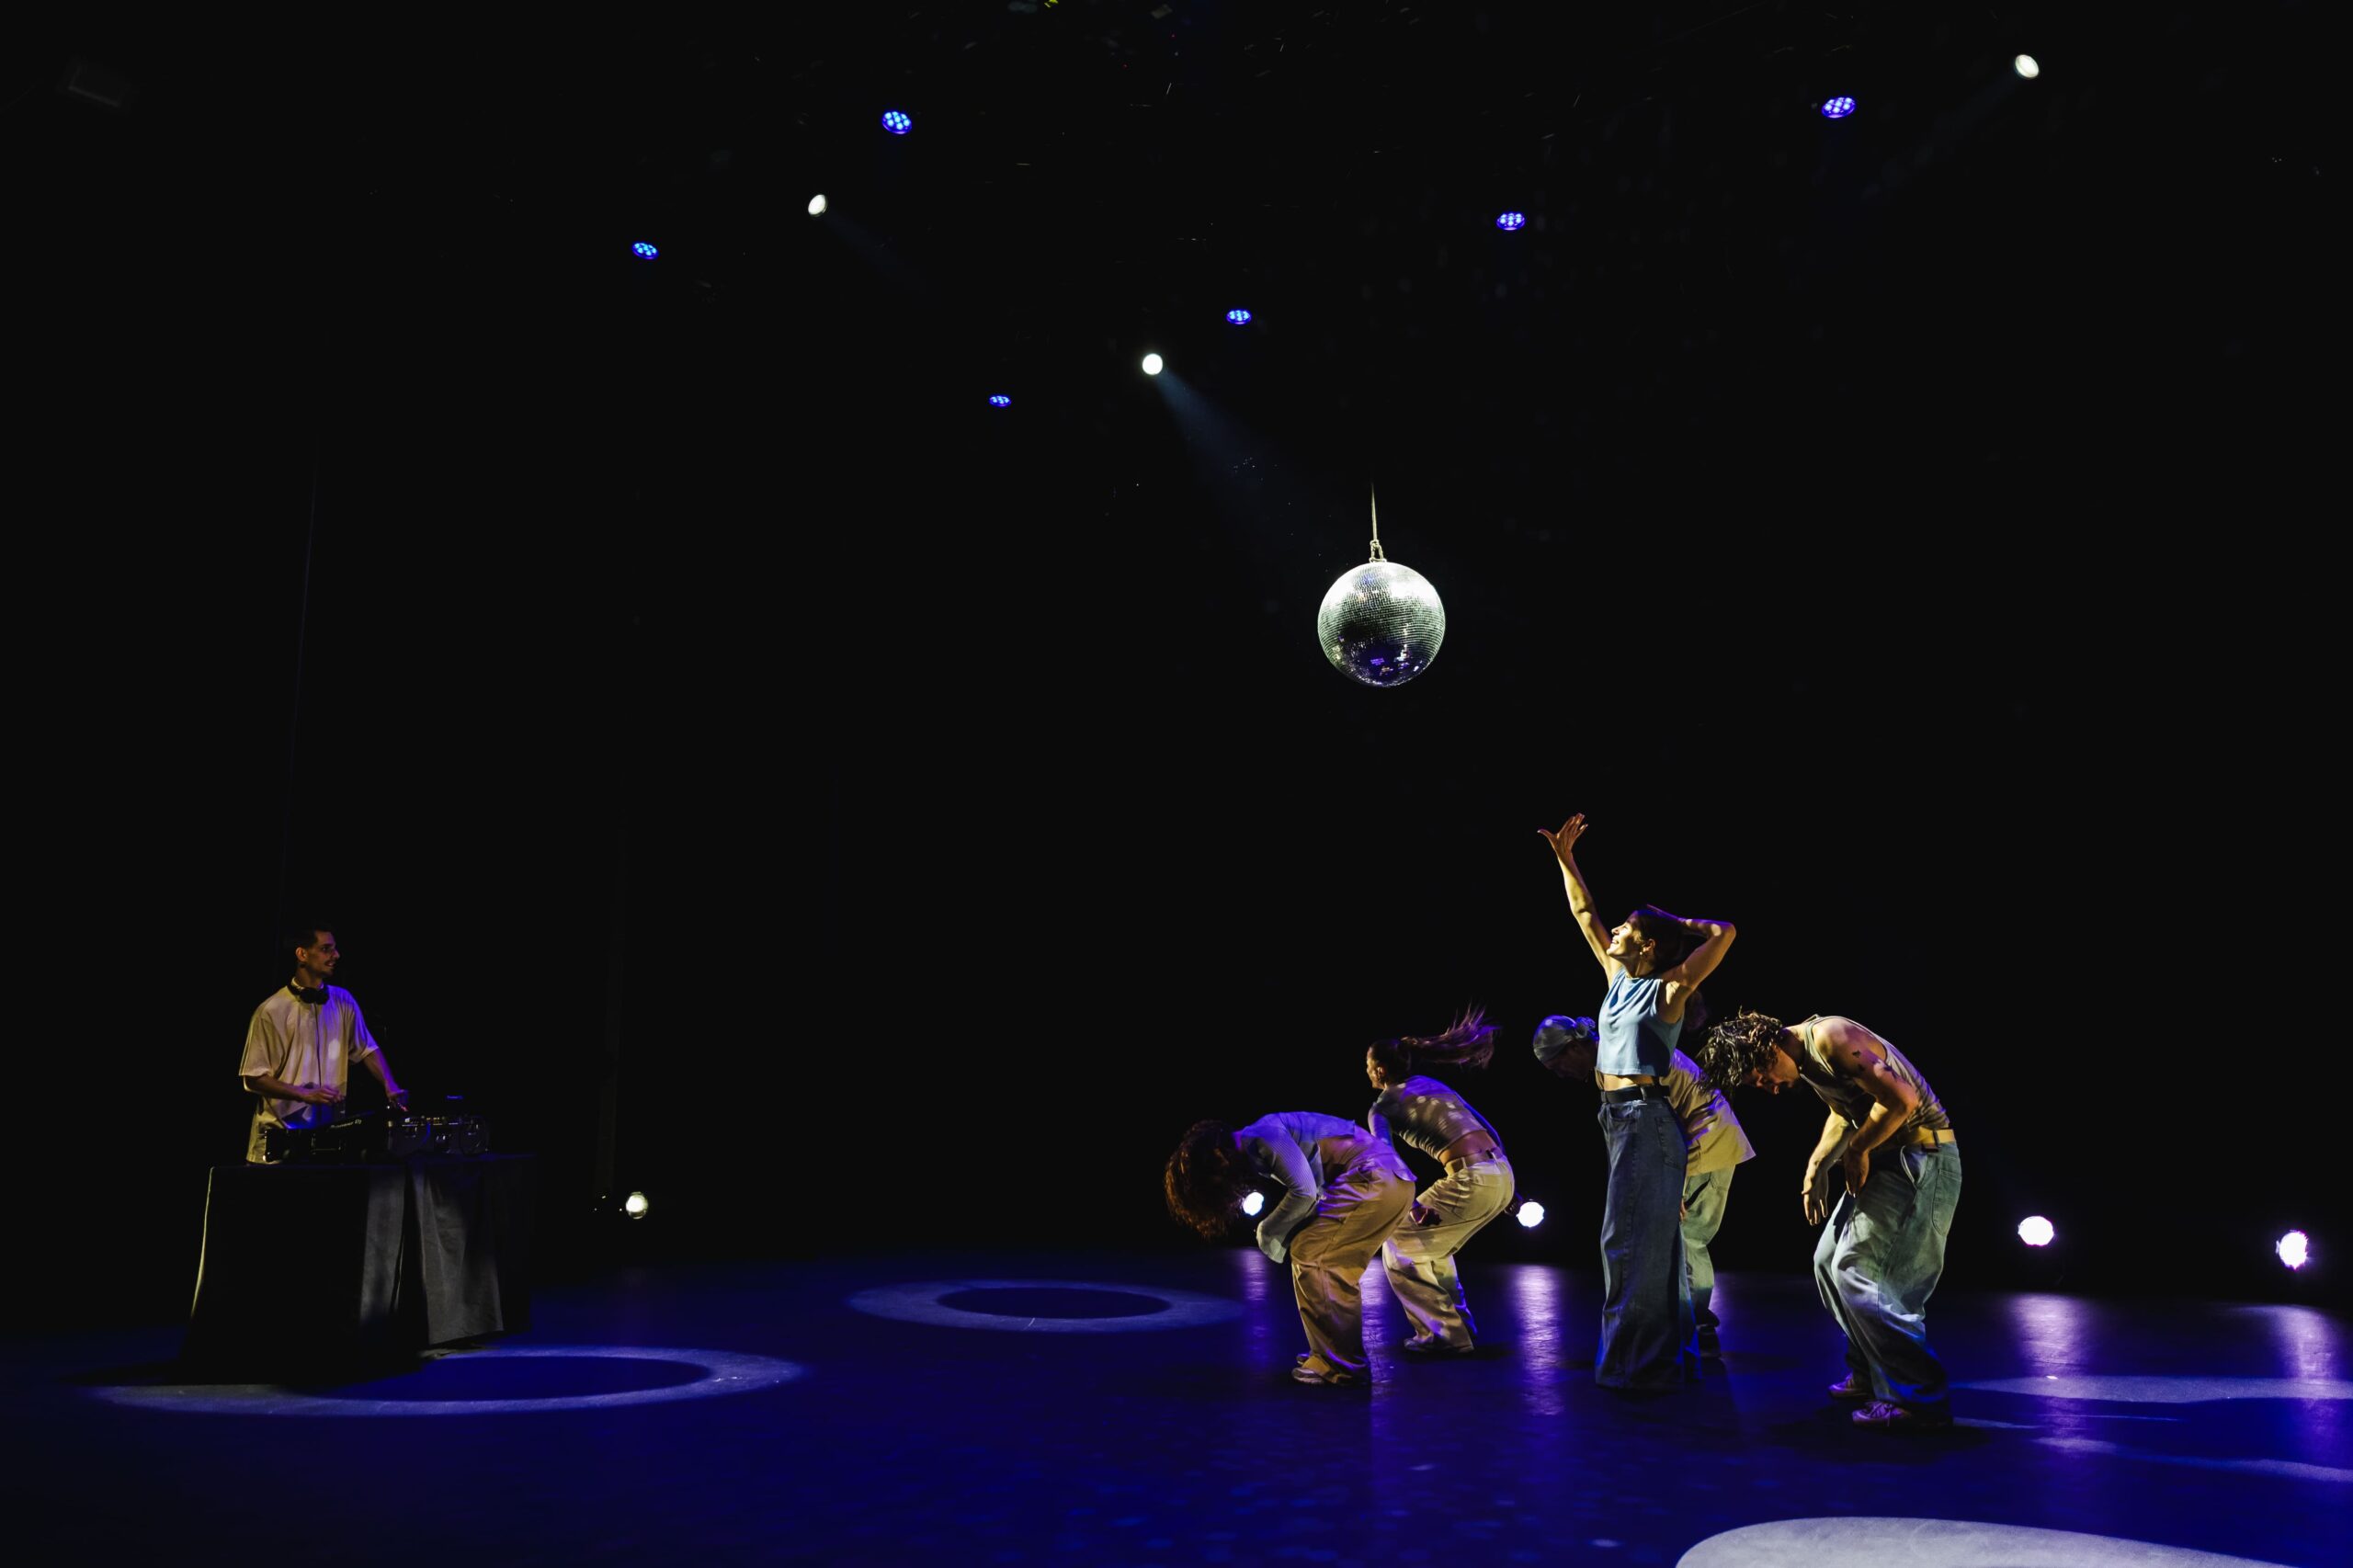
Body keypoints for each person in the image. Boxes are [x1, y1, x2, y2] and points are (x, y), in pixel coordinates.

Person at [1537, 811, 1736, 1389]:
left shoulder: (1667, 990)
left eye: (1626, 928)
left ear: (1646, 945)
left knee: (1627, 1241)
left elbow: (1724, 932)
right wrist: (1566, 860)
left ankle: (1635, 1365)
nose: (1615, 932)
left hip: (1647, 1118)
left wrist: (1675, 922)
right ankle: (1665, 1360)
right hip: (1619, 1118)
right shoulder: (1617, 978)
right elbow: (1583, 913)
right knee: (1642, 1242)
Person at [1693, 1009, 1960, 1430]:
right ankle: (1871, 1371)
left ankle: (1918, 1397)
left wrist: (1856, 1151)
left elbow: (1901, 1100)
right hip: (1891, 1159)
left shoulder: (1831, 1037)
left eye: (1761, 1077)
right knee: (1827, 1263)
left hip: (1920, 1157)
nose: (1769, 1088)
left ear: (1767, 1046)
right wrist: (1818, 1165)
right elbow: (1845, 1111)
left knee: (1858, 1270)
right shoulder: (1811, 1060)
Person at [1532, 1014, 1755, 1358]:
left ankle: (1696, 1324)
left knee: (1686, 1238)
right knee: (1673, 1239)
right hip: (1693, 1147)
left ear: (1574, 1047)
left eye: (1558, 1066)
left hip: (1706, 1146)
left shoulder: (1622, 1058)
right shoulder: (1609, 1062)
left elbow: (1669, 1118)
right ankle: (1686, 1322)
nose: (1561, 1075)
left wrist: (1674, 1182)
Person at [1165, 1112, 1415, 1385]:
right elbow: (1315, 1185)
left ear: (1219, 1155)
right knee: (1319, 1255)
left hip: (1373, 1178)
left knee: (1314, 1255)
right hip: (1388, 1180)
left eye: (1216, 1178)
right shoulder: (1261, 1142)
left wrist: (1268, 1232)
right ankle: (1330, 1352)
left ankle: (1340, 1364)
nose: (1222, 1183)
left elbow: (1305, 1192)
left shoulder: (1262, 1136)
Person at [1364, 1008, 1515, 1358]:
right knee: (1432, 1247)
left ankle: (1443, 1335)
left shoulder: (1382, 1106)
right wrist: (1511, 1190)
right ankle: (1459, 1327)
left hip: (1472, 1178)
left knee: (1398, 1244)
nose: (1367, 1071)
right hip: (1501, 1173)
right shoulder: (1432, 1084)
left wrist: (1412, 1205)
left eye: (1367, 1065)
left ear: (1380, 1070)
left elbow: (1386, 1159)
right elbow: (1489, 1129)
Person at [239, 926, 407, 1163]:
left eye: (334, 949)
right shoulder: (271, 1011)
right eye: (326, 949)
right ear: (302, 954)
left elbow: (366, 1049)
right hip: (278, 1144)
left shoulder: (344, 1000)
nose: (336, 955)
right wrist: (305, 1094)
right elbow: (253, 1078)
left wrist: (390, 1085)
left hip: (328, 1141)